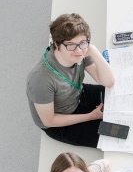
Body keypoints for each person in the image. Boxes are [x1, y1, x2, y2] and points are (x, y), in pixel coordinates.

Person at [26, 13, 115, 148]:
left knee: (118, 97)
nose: (78, 51)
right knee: (116, 134)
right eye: (70, 45)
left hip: (77, 93)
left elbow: (109, 82)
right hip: (59, 121)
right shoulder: (40, 79)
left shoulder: (82, 51)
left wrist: (94, 51)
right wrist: (90, 116)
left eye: (83, 43)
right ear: (56, 44)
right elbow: (49, 120)